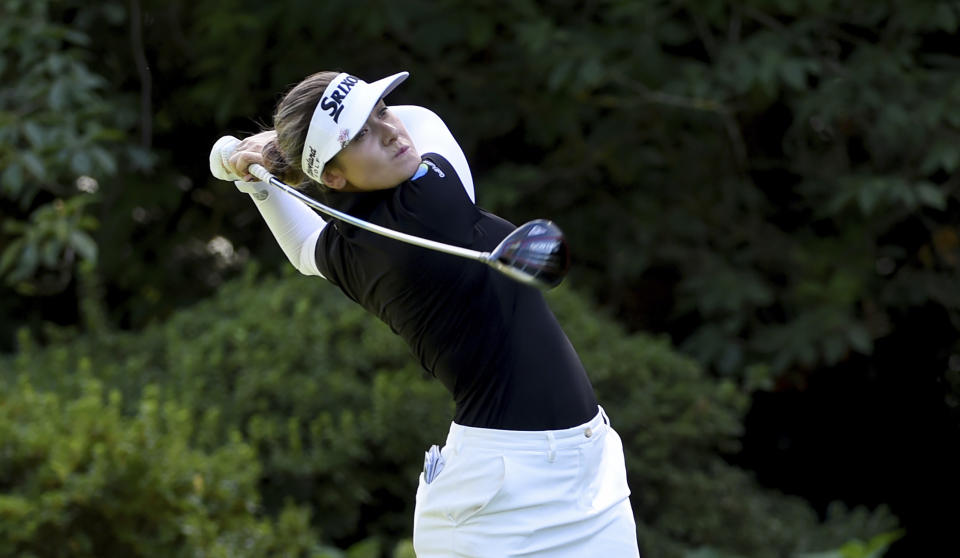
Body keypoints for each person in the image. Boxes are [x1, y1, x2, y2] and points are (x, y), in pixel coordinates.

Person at [223, 70, 641, 557]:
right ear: (331, 176)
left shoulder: (354, 247)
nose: (390, 131)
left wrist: (258, 185)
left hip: (583, 472)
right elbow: (425, 120)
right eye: (359, 133)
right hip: (504, 502)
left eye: (381, 109)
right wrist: (275, 152)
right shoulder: (429, 205)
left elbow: (303, 247)